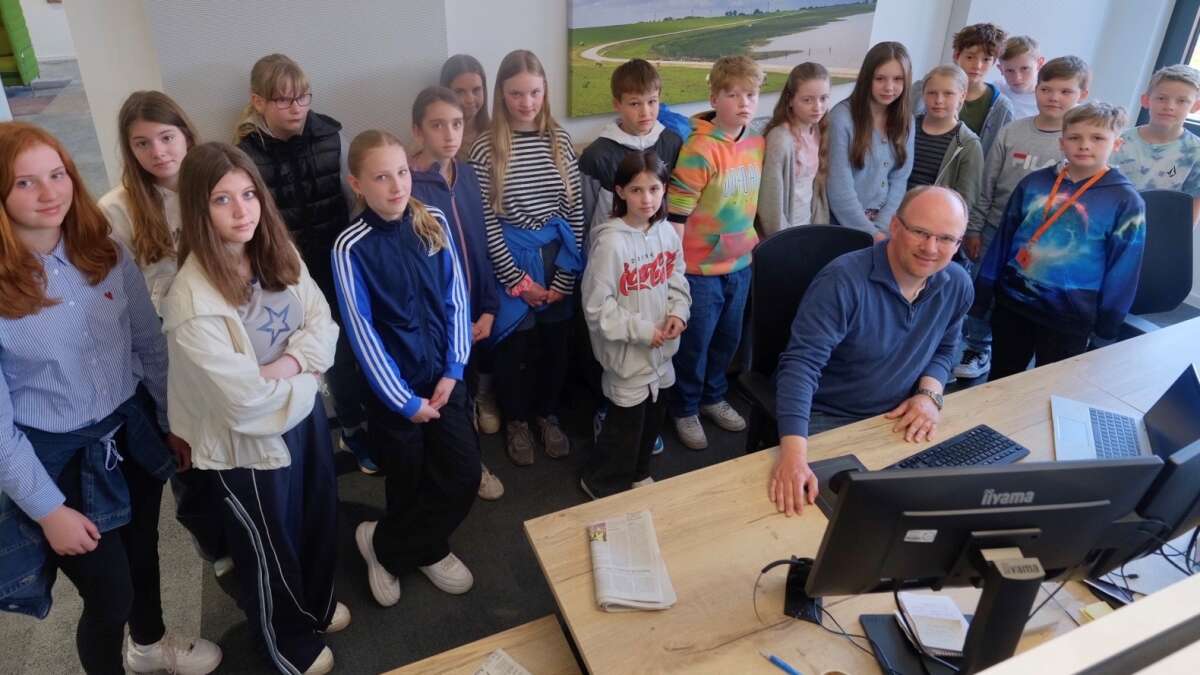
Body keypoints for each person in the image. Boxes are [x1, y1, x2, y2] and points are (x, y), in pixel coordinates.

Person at [0, 122, 220, 675]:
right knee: (109, 596)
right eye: (26, 183)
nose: (50, 193)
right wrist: (49, 511)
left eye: (57, 174)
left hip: (129, 427)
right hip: (58, 460)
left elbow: (149, 345)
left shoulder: (105, 250)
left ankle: (149, 645)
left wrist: (173, 420)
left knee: (144, 551)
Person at [162, 142, 347, 675]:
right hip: (247, 445)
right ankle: (287, 641)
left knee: (317, 515)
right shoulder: (190, 301)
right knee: (270, 546)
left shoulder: (276, 251)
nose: (242, 211)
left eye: (248, 195)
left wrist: (285, 369)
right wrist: (306, 372)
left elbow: (322, 323)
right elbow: (243, 406)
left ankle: (316, 604)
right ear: (199, 210)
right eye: (223, 200)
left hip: (300, 414)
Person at [332, 130, 480, 608]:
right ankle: (425, 546)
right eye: (381, 177)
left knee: (460, 476)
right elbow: (361, 330)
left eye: (401, 172)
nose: (396, 186)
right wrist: (403, 400)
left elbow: (457, 298)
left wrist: (454, 369)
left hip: (445, 378)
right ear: (358, 184)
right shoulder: (349, 247)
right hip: (395, 391)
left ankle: (383, 546)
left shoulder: (431, 220)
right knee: (407, 479)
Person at [768, 186, 974, 516]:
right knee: (825, 520)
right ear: (895, 226)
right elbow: (801, 366)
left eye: (946, 238)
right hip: (827, 414)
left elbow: (946, 347)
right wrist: (792, 455)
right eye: (920, 232)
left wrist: (929, 395)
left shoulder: (957, 283)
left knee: (941, 507)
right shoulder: (842, 281)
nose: (931, 248)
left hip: (897, 413)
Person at [97, 90, 232, 579]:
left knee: (232, 435)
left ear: (187, 134)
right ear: (129, 151)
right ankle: (215, 545)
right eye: (142, 143)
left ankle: (248, 521)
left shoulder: (217, 182)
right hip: (165, 346)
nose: (158, 152)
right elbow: (116, 298)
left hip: (221, 333)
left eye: (166, 137)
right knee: (187, 453)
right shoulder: (117, 208)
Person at [234, 53, 377, 474]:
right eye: (283, 100)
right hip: (283, 277)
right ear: (258, 102)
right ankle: (311, 440)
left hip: (337, 266)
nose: (296, 108)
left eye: (303, 98)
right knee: (294, 361)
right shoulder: (245, 156)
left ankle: (355, 429)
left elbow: (355, 203)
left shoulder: (331, 136)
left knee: (346, 353)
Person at [467, 49, 584, 466]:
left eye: (535, 92)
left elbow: (574, 211)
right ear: (501, 94)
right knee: (514, 351)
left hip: (556, 256)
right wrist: (518, 281)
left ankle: (546, 415)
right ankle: (516, 419)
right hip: (511, 260)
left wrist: (565, 277)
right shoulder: (485, 148)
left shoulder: (559, 138)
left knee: (554, 347)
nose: (527, 103)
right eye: (517, 93)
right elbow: (486, 223)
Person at [972, 102, 1146, 381]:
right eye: (1075, 137)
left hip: (1069, 317)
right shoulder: (1034, 183)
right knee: (1001, 380)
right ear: (1062, 143)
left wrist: (1107, 328)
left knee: (1052, 389)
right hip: (1013, 304)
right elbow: (1003, 241)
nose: (1084, 145)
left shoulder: (1125, 201)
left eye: (1097, 138)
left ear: (1117, 144)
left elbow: (1123, 270)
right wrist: (983, 294)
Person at [956, 56, 1090, 381]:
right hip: (995, 229)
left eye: (1065, 91)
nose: (1054, 98)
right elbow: (987, 183)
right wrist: (974, 228)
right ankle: (978, 346)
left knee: (1019, 299)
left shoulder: (1080, 143)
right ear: (1037, 90)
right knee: (982, 292)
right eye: (1047, 89)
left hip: (1043, 241)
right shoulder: (1013, 131)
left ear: (1082, 95)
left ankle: (1016, 353)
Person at [578, 57, 684, 454]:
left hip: (653, 255)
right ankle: (612, 412)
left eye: (653, 102)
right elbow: (586, 212)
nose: (645, 112)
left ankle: (644, 417)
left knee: (652, 340)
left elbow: (671, 203)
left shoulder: (670, 140)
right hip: (613, 261)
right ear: (618, 104)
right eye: (635, 103)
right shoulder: (599, 155)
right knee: (614, 345)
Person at [409, 86, 505, 501]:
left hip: (472, 312)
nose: (449, 134)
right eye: (437, 125)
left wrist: (486, 307)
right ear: (417, 130)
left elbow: (480, 245)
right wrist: (453, 321)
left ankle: (469, 461)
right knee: (447, 394)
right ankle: (457, 468)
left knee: (466, 388)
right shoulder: (408, 186)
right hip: (439, 319)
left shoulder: (466, 175)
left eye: (456, 124)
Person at [665, 54, 764, 450]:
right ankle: (685, 407)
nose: (743, 102)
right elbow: (676, 214)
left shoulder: (756, 141)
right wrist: (673, 272)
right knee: (696, 343)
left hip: (741, 264)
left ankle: (713, 397)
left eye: (751, 94)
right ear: (714, 96)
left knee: (727, 339)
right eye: (733, 93)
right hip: (699, 269)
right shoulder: (700, 148)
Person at [580, 150, 690, 499]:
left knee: (652, 420)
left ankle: (639, 472)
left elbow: (677, 278)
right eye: (637, 190)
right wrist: (643, 332)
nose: (647, 199)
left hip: (662, 355)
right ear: (621, 192)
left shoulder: (666, 233)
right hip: (627, 357)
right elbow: (597, 308)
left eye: (655, 189)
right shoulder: (610, 243)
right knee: (624, 428)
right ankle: (601, 483)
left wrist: (678, 313)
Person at [826, 41, 915, 239]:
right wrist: (870, 233)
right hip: (843, 226)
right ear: (867, 78)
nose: (889, 87)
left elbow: (900, 179)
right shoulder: (841, 118)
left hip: (885, 227)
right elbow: (839, 188)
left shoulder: (906, 120)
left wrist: (882, 227)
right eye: (880, 78)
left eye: (898, 79)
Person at [1112, 63, 1200, 226]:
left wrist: (1179, 239)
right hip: (1111, 227)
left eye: (1182, 101)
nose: (1169, 107)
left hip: (1157, 233)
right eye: (1161, 98)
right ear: (1146, 100)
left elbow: (1194, 201)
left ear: (1196, 106)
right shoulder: (1118, 141)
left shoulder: (1195, 152)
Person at [912, 23, 1013, 156]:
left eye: (986, 59)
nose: (977, 65)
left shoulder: (1001, 107)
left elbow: (995, 157)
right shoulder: (921, 89)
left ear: (994, 62)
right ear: (956, 55)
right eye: (970, 57)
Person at [760, 62, 832, 234]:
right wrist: (785, 240)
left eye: (823, 98)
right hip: (786, 234)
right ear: (790, 100)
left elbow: (814, 190)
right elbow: (770, 205)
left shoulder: (817, 130)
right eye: (808, 100)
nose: (818, 107)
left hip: (808, 228)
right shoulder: (780, 139)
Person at [908, 65, 984, 209]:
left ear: (962, 95)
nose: (939, 100)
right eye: (932, 93)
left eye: (948, 93)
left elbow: (965, 199)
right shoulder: (906, 128)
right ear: (923, 94)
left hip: (934, 218)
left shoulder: (968, 144)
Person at [441, 54, 490, 160]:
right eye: (459, 92)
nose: (470, 99)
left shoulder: (495, 134)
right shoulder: (432, 139)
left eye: (476, 90)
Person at [997, 36, 1043, 119]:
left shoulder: (1051, 100)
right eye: (1010, 71)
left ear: (1039, 64)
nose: (1017, 78)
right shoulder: (994, 92)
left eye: (1025, 68)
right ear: (1000, 69)